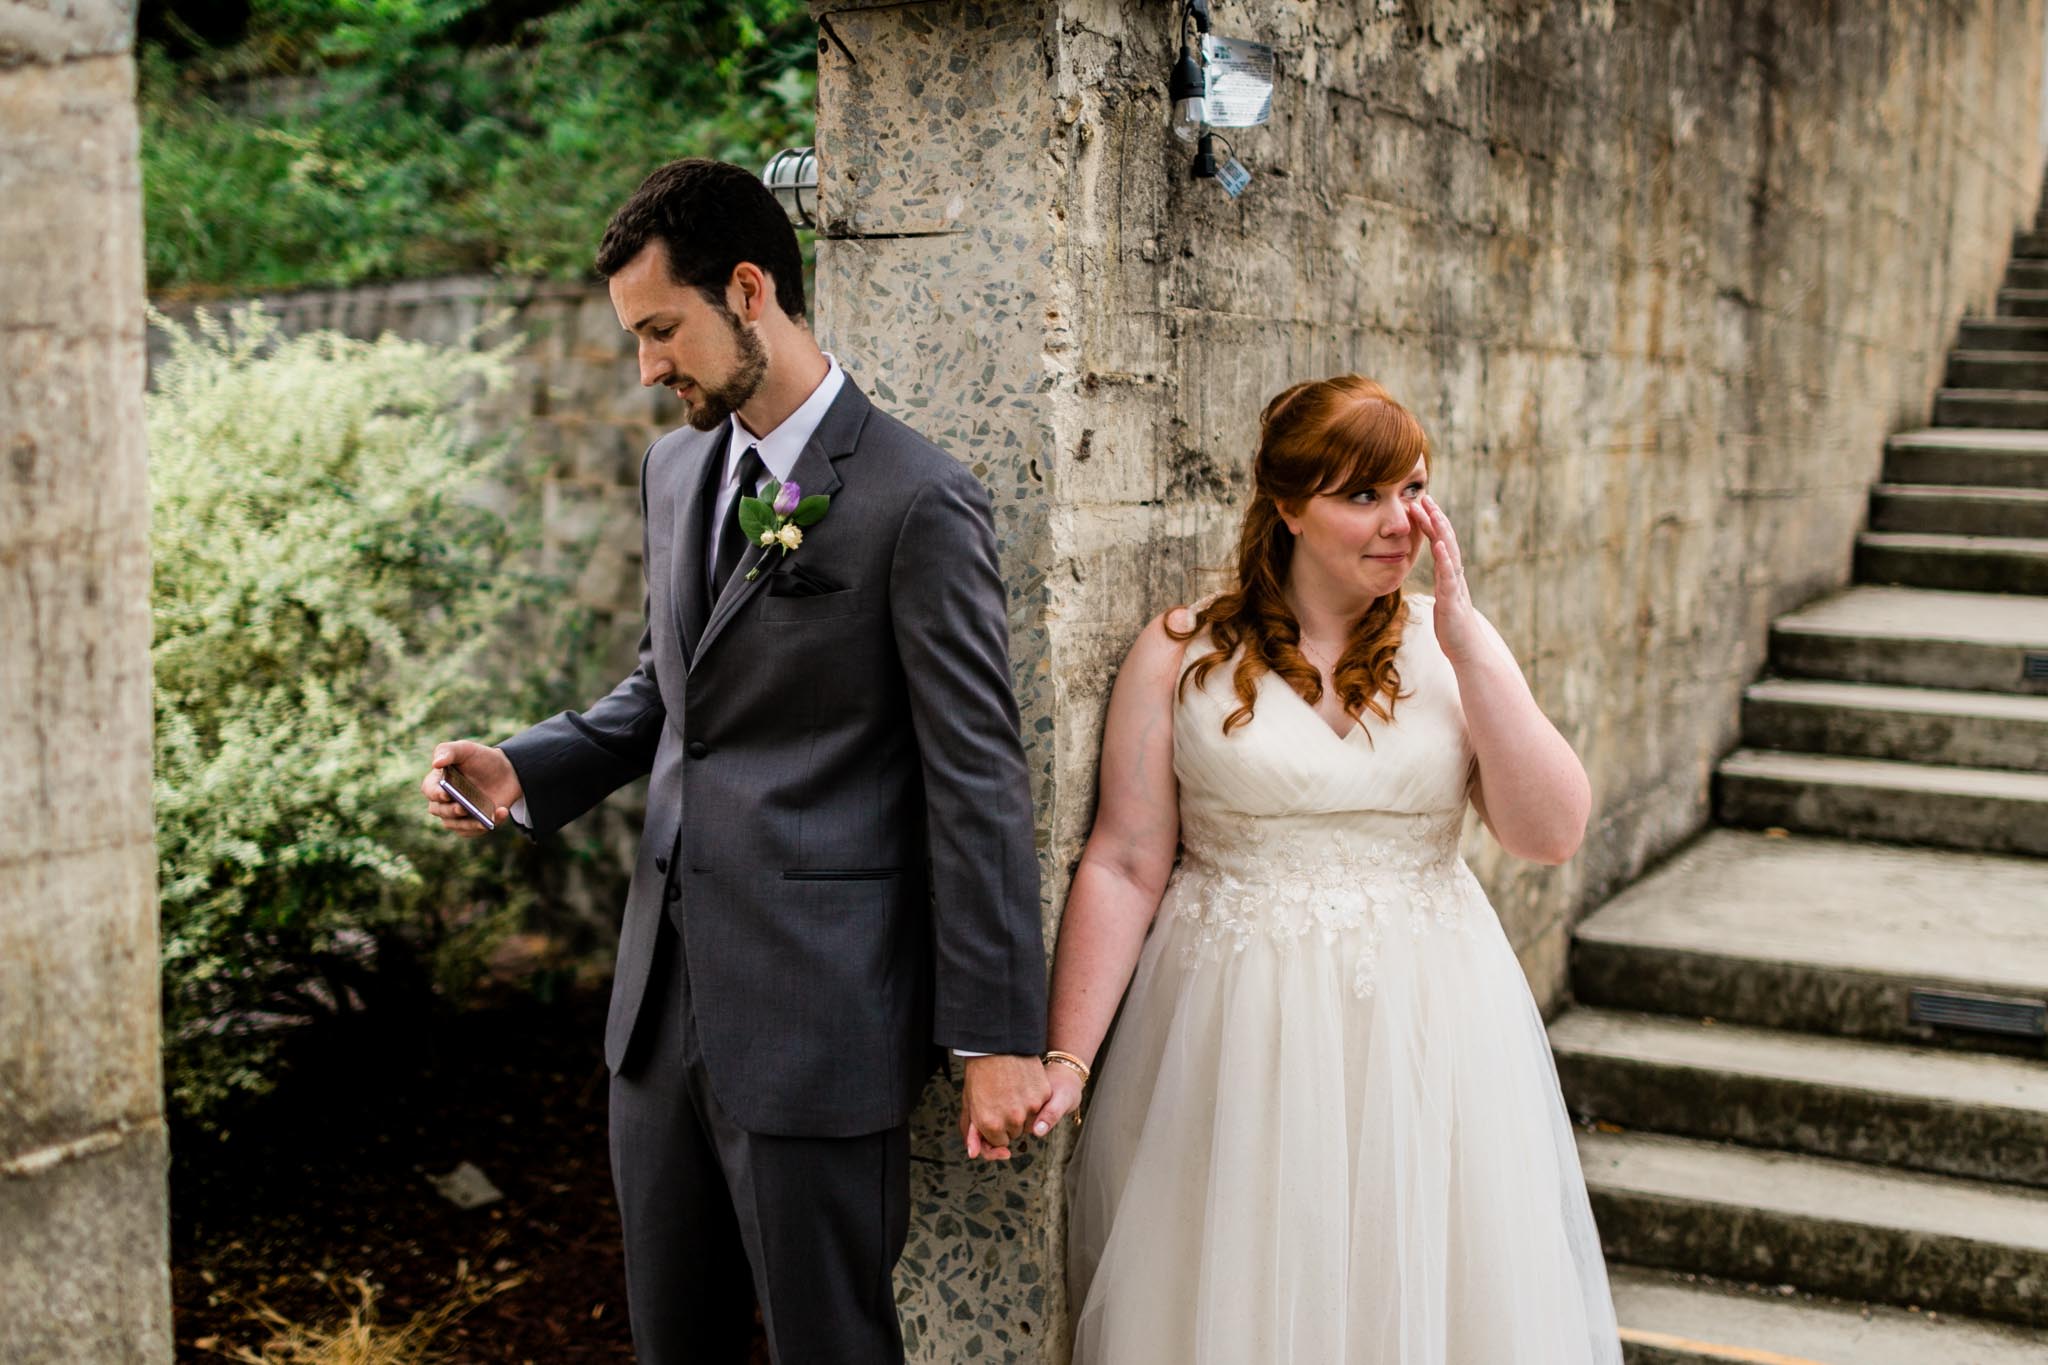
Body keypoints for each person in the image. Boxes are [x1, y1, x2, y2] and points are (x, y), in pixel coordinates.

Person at [418, 158, 1051, 1364]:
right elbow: (674, 687)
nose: (648, 367)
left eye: (662, 330)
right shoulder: (676, 470)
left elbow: (977, 783)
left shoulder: (919, 503)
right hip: (657, 1022)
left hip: (823, 1021)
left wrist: (995, 1036)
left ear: (749, 290)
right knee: (675, 1341)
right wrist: (525, 767)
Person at [1026, 376, 1623, 1363]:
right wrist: (1068, 1058)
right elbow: (1125, 862)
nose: (1397, 523)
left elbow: (1549, 831)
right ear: (1288, 504)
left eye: (1411, 490)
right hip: (1234, 1036)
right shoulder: (1180, 653)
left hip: (1432, 1034)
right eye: (1361, 495)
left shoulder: (1448, 645)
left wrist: (1471, 647)